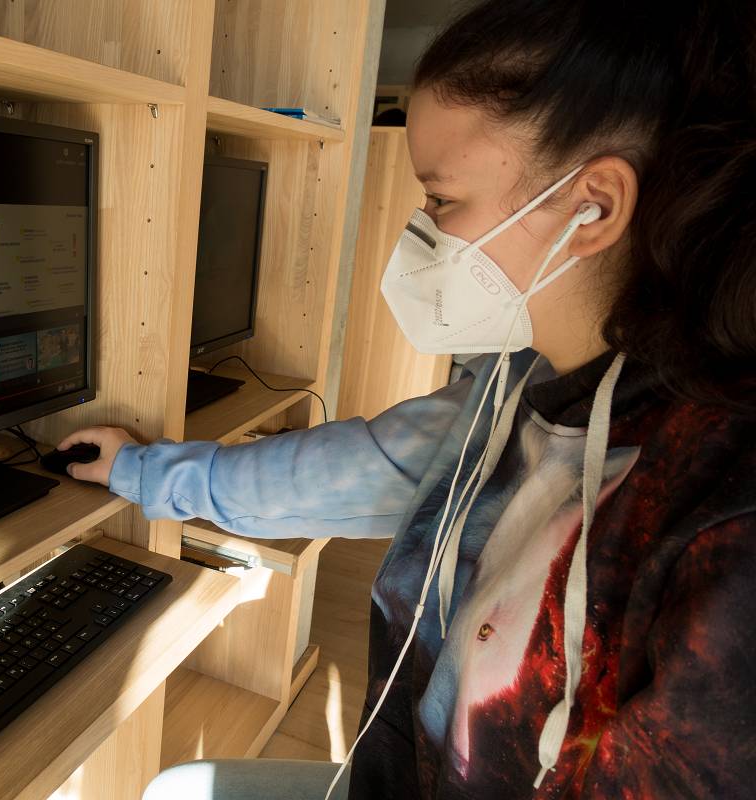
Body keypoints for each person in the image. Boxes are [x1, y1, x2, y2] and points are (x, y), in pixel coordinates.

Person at [58, 2, 756, 798]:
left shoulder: (723, 514)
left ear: (592, 204)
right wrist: (139, 471)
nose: (421, 234)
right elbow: (349, 469)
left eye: (443, 200)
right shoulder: (517, 388)